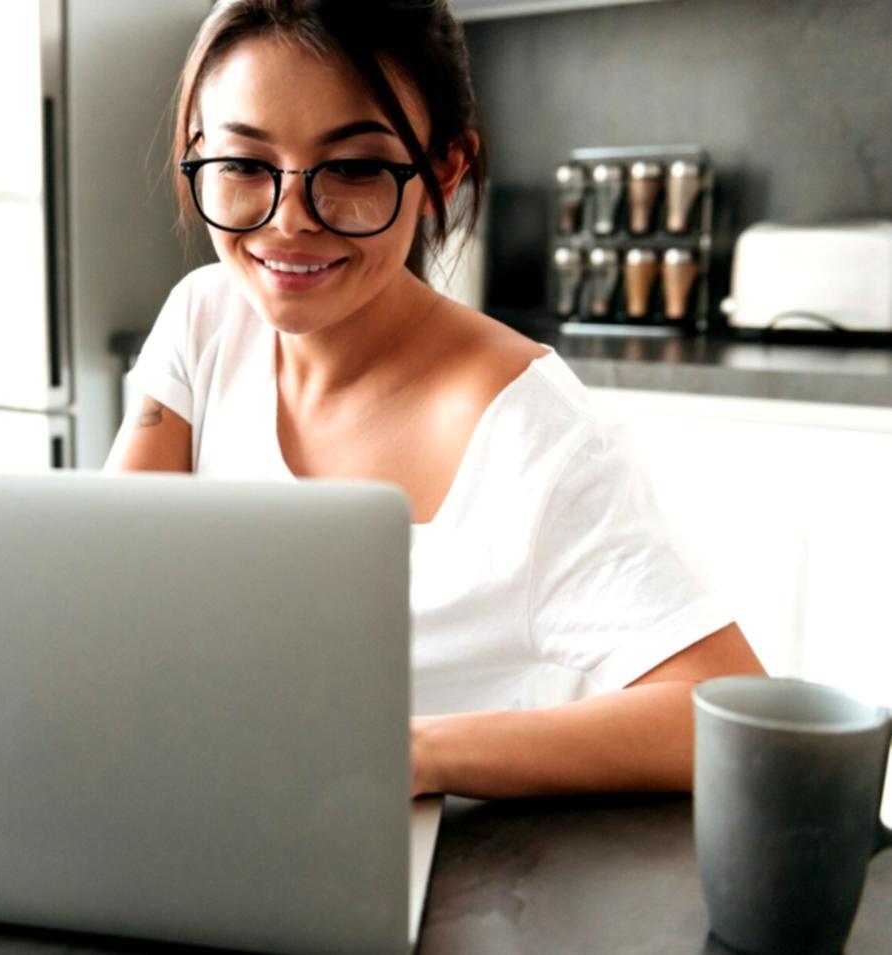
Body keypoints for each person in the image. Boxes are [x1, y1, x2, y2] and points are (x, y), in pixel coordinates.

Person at [104, 0, 766, 799]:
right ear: (197, 153)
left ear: (443, 171)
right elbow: (111, 592)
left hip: (443, 879)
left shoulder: (537, 437)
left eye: (353, 170)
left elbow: (726, 713)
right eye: (245, 166)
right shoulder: (204, 318)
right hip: (208, 804)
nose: (286, 223)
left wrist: (416, 753)